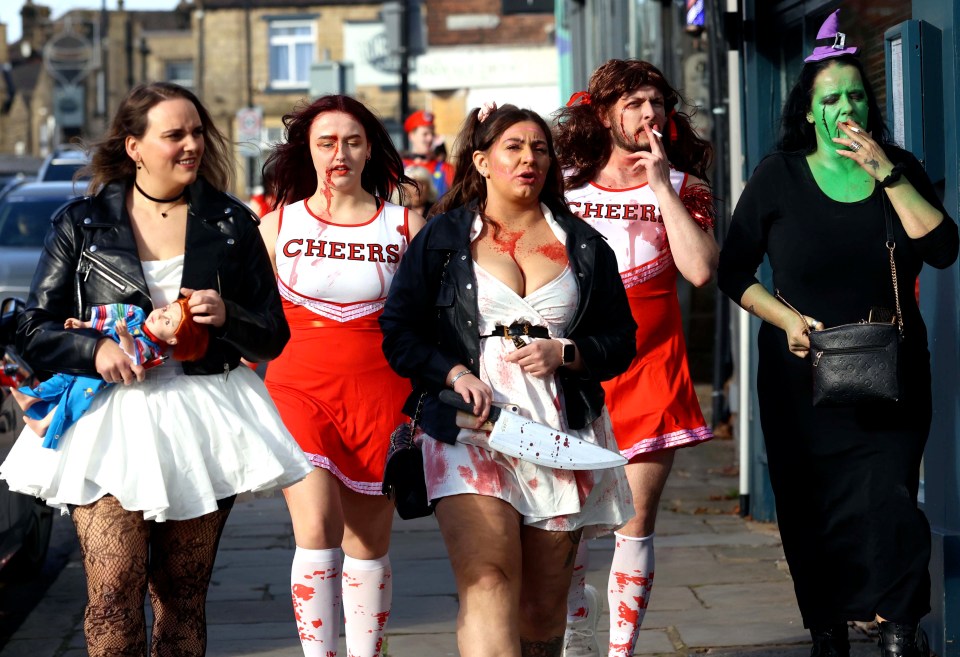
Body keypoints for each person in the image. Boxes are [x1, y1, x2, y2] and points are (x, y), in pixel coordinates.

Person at [0, 81, 313, 657]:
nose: (192, 144)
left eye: (197, 132)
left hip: (204, 415)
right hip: (106, 421)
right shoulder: (81, 224)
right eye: (175, 135)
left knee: (181, 597)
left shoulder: (231, 222)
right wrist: (92, 351)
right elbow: (29, 327)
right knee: (112, 595)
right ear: (134, 146)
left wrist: (229, 316)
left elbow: (273, 334)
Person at [717, 10, 958, 657]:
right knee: (810, 506)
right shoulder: (778, 176)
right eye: (832, 97)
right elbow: (732, 270)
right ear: (809, 110)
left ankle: (901, 625)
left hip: (892, 370)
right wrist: (786, 317)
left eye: (856, 94)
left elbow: (942, 248)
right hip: (801, 374)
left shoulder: (897, 167)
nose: (846, 106)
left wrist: (888, 172)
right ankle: (827, 627)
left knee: (891, 500)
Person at [380, 102, 637, 657]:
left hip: (559, 431)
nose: (529, 159)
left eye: (540, 148)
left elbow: (621, 341)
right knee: (488, 580)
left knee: (542, 608)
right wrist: (450, 371)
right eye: (514, 148)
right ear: (482, 160)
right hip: (469, 428)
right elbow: (398, 330)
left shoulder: (584, 245)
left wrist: (567, 351)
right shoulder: (444, 238)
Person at [553, 59, 718, 657]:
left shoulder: (683, 186)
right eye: (633, 104)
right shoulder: (565, 183)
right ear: (603, 114)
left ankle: (622, 650)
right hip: (574, 372)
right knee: (567, 524)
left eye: (656, 103)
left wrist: (660, 187)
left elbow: (700, 270)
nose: (649, 115)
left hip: (651, 368)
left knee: (635, 521)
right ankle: (575, 634)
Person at [259, 94, 425, 657]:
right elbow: (246, 322)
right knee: (316, 528)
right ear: (305, 152)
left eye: (353, 141)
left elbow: (430, 319)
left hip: (382, 396)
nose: (340, 153)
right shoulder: (276, 225)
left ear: (370, 150)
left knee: (369, 544)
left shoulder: (406, 225)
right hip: (296, 390)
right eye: (326, 142)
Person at [11, 298, 207, 443]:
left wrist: (125, 338)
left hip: (102, 376)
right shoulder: (137, 315)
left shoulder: (151, 348)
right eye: (165, 309)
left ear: (173, 340)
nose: (159, 315)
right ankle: (32, 397)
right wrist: (85, 325)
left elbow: (132, 359)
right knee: (63, 377)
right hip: (90, 358)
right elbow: (109, 319)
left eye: (167, 321)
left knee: (74, 397)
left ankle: (45, 424)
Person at [401, 109, 454, 198]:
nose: (430, 138)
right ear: (411, 136)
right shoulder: (399, 168)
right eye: (425, 134)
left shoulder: (447, 169)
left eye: (432, 133)